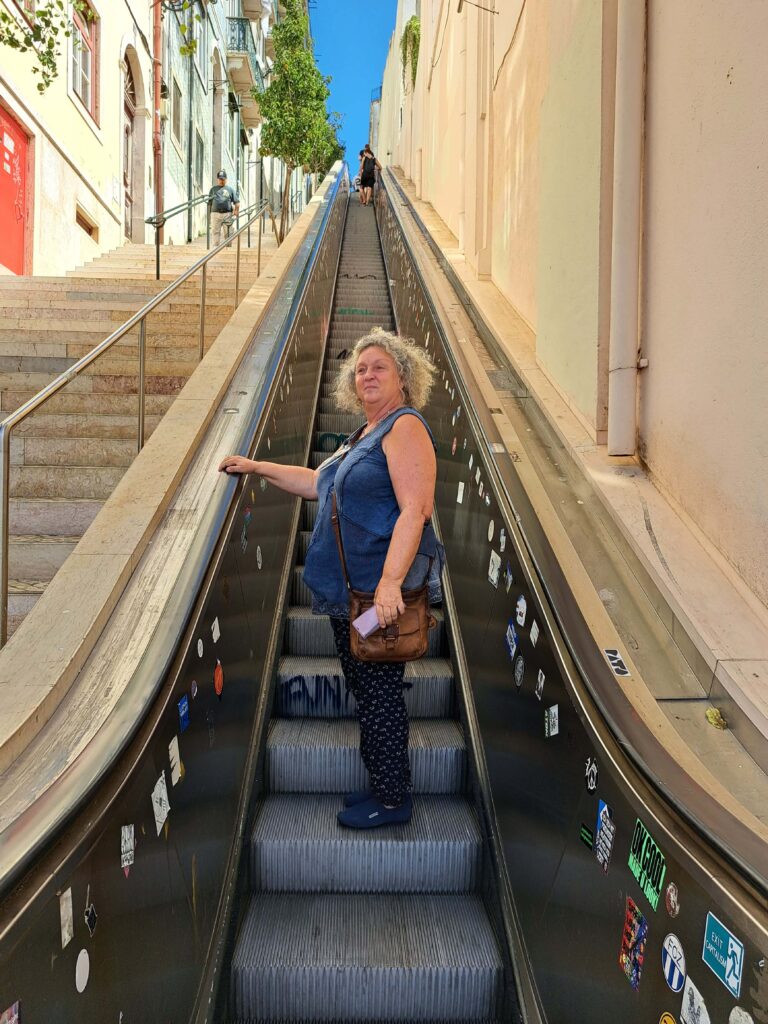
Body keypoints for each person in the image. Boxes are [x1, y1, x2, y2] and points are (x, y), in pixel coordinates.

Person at [219, 328, 443, 829]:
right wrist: (257, 467)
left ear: (402, 378)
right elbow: (315, 484)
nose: (367, 374)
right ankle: (385, 783)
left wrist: (389, 583)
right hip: (352, 599)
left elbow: (416, 509)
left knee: (380, 691)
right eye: (361, 368)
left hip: (377, 599)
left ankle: (393, 801)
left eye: (379, 367)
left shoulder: (404, 428)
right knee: (367, 688)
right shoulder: (362, 437)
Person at [208, 169, 240, 247]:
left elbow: (237, 202)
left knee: (228, 232)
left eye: (223, 179)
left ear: (226, 179)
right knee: (215, 232)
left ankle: (228, 248)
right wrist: (210, 214)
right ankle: (215, 249)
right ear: (217, 179)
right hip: (215, 213)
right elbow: (209, 203)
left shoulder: (230, 189)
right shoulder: (213, 189)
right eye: (220, 179)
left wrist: (236, 211)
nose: (221, 181)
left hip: (227, 214)